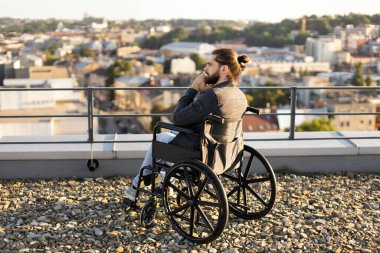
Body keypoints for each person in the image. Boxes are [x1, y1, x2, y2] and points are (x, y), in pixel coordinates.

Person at [124, 48, 249, 202]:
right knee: (171, 137)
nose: (205, 68)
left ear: (224, 69)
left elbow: (177, 118)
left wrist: (193, 89)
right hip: (227, 151)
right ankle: (163, 180)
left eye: (210, 64)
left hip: (204, 153)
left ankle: (136, 187)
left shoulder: (213, 95)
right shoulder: (239, 95)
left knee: (161, 137)